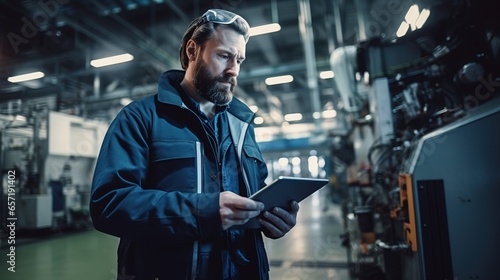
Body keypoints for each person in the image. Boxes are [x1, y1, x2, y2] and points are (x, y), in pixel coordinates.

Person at [90, 9, 299, 280]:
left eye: (239, 60)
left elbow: (253, 198)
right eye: (224, 55)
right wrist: (205, 212)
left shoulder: (241, 125)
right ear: (192, 51)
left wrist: (273, 217)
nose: (233, 70)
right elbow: (109, 204)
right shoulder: (140, 118)